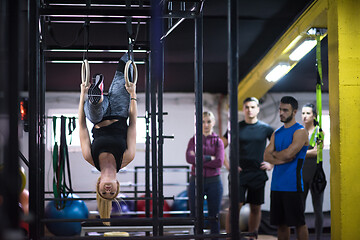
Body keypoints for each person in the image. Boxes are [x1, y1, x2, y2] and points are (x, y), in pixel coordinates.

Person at [78, 53, 137, 225]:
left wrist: (83, 93)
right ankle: (130, 41)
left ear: (99, 186)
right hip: (120, 111)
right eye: (112, 193)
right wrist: (133, 95)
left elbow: (82, 127)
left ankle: (96, 95)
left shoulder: (90, 157)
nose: (109, 191)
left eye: (105, 193)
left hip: (99, 116)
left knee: (94, 111)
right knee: (127, 60)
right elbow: (133, 125)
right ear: (118, 186)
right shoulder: (127, 157)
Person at [221, 97, 274, 236]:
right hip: (239, 174)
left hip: (258, 173)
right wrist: (228, 166)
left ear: (258, 108)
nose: (249, 110)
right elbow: (220, 147)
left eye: (252, 107)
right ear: (243, 109)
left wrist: (272, 163)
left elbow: (280, 146)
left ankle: (252, 237)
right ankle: (231, 237)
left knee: (256, 208)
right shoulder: (235, 127)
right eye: (247, 107)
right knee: (235, 207)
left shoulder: (266, 128)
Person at [264, 96, 309, 240]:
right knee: (281, 225)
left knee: (299, 223)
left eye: (285, 110)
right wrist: (281, 158)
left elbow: (290, 153)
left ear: (294, 112)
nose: (281, 113)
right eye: (280, 110)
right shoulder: (276, 133)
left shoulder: (300, 132)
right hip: (277, 186)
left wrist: (275, 156)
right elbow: (266, 156)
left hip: (293, 186)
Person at [186, 111, 224, 239]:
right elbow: (189, 158)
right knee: (195, 215)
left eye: (208, 121)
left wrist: (199, 160)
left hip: (214, 182)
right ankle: (197, 238)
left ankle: (215, 238)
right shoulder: (193, 140)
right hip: (196, 181)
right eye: (202, 122)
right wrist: (209, 158)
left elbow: (219, 162)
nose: (206, 124)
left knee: (214, 216)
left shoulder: (218, 142)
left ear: (213, 123)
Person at [301, 103, 324, 240]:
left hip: (316, 175)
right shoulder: (299, 132)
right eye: (303, 113)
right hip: (302, 174)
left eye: (308, 113)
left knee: (318, 209)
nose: (304, 116)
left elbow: (316, 151)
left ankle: (318, 238)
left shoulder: (319, 131)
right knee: (300, 209)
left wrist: (299, 152)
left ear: (314, 115)